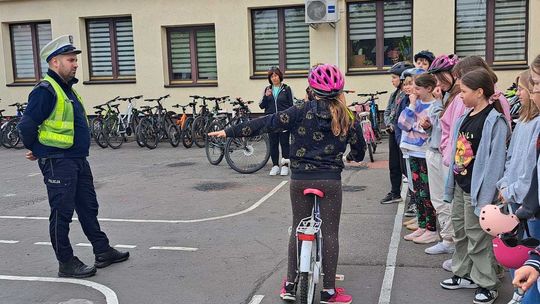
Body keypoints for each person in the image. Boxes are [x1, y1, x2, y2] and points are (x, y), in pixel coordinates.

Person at [209, 64, 365, 304]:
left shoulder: (299, 110)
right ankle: (330, 292)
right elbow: (359, 149)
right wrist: (352, 157)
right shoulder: (347, 115)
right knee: (330, 232)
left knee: (298, 227)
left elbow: (266, 122)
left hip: (300, 179)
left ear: (311, 89)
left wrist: (229, 131)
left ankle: (290, 284)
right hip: (330, 180)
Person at [17, 35, 129, 278]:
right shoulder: (45, 91)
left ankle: (102, 250)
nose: (76, 64)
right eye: (71, 60)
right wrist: (37, 148)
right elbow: (26, 125)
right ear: (55, 62)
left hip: (77, 159)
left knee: (88, 207)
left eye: (75, 60)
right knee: (62, 212)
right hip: (58, 162)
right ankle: (66, 262)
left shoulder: (67, 89)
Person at [440, 69, 510, 304]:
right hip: (461, 185)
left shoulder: (494, 121)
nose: (460, 96)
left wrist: (488, 195)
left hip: (479, 189)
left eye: (465, 91)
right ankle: (463, 273)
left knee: (478, 236)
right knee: (460, 231)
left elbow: (496, 161)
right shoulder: (465, 117)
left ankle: (487, 283)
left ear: (480, 92)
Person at [502, 69, 540, 304]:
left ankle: (528, 297)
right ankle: (521, 294)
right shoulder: (522, 121)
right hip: (516, 197)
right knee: (520, 253)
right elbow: (511, 160)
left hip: (529, 202)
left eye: (524, 87)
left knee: (531, 250)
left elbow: (530, 172)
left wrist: (513, 190)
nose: (521, 93)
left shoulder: (536, 124)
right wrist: (505, 185)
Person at [397, 73, 439, 244]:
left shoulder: (435, 106)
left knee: (426, 192)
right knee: (416, 192)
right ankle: (422, 225)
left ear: (428, 88)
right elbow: (402, 124)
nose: (413, 91)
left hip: (425, 153)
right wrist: (412, 105)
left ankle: (431, 228)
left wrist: (417, 127)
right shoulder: (415, 105)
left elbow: (427, 129)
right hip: (412, 151)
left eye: (417, 88)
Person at [380, 61, 413, 204]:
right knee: (394, 165)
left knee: (406, 167)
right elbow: (387, 111)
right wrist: (389, 123)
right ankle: (395, 192)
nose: (392, 80)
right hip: (393, 134)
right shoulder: (394, 95)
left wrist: (396, 125)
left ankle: (413, 199)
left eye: (394, 77)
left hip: (404, 135)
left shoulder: (407, 96)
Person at [259, 67, 293, 176]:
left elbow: (291, 105)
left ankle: (285, 165)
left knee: (284, 143)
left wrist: (290, 119)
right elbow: (261, 106)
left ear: (279, 76)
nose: (274, 78)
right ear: (270, 78)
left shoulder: (287, 89)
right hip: (271, 120)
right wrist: (266, 96)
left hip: (284, 120)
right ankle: (275, 166)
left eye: (276, 75)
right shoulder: (267, 89)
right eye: (272, 76)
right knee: (273, 143)